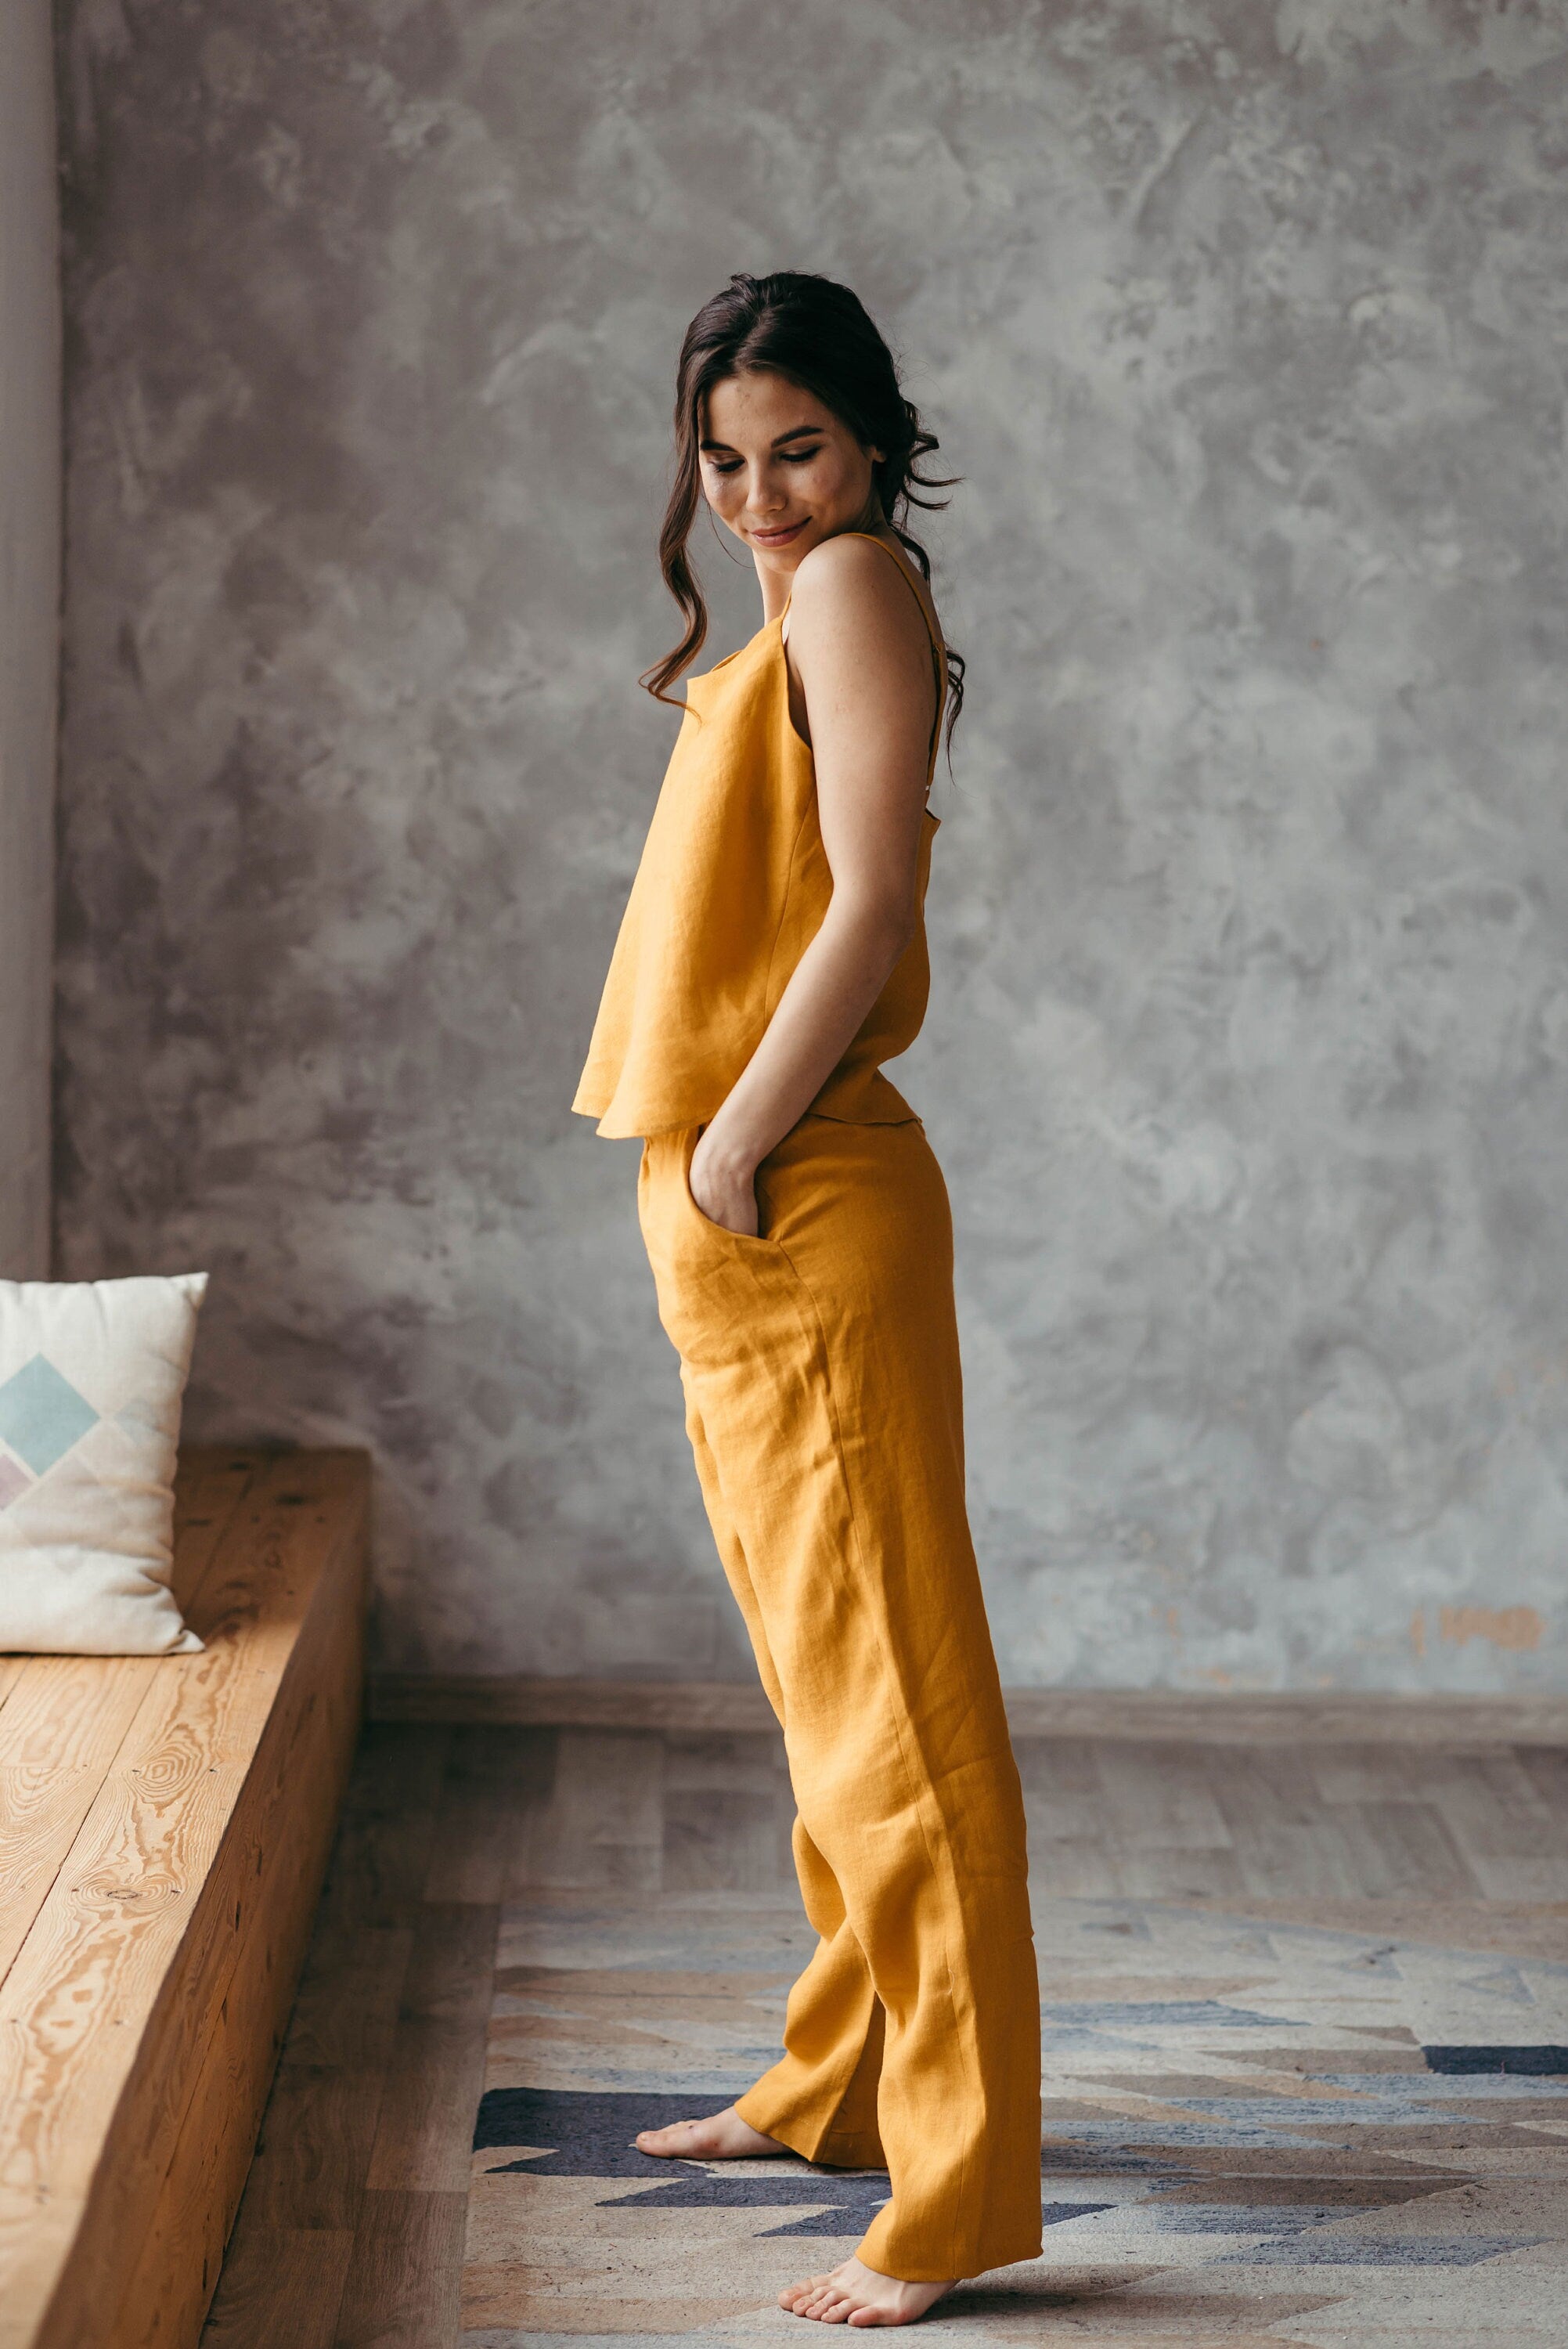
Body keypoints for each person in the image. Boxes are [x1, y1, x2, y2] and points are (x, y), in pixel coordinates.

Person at [572, 272, 1040, 2329]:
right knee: (820, 1695)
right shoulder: (790, 599)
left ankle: (949, 2198)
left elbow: (870, 901)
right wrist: (707, 1164)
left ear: (869, 444)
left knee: (896, 1721)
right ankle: (830, 2083)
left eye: (800, 450)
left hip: (801, 1190)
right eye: (726, 459)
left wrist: (739, 1145)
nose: (762, 495)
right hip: (741, 1200)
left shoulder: (855, 586)